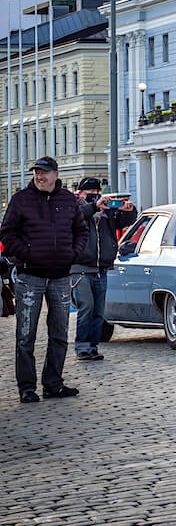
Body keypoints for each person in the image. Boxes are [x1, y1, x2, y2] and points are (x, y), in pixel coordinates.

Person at [0, 157, 89, 403]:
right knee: (25, 335)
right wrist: (27, 253)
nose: (40, 176)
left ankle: (53, 384)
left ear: (55, 174)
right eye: (37, 172)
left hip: (60, 276)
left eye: (44, 173)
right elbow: (6, 232)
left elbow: (82, 230)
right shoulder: (21, 200)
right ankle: (27, 389)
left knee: (59, 333)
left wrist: (73, 253)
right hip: (30, 276)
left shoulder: (68, 200)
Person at [71, 178, 137, 362]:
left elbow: (123, 222)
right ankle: (82, 348)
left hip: (102, 267)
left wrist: (129, 211)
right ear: (81, 194)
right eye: (89, 192)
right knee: (86, 307)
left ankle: (92, 347)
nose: (94, 194)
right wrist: (94, 206)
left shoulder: (106, 210)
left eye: (96, 191)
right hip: (80, 267)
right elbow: (73, 218)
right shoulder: (74, 206)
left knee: (99, 311)